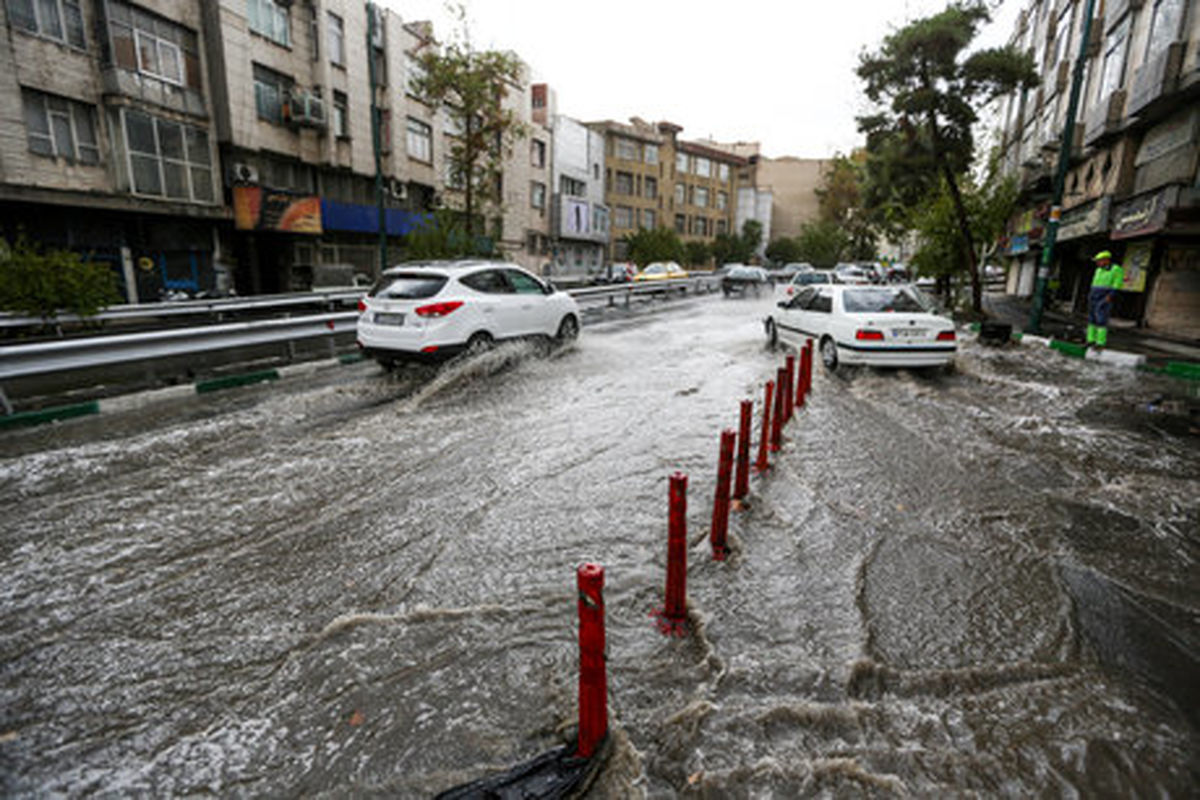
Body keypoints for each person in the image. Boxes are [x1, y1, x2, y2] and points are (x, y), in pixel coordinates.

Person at [1086, 250, 1124, 348]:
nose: (1097, 263)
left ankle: (1100, 343)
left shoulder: (1116, 269)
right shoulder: (1098, 270)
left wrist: (1110, 296)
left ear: (1106, 260)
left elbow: (1117, 284)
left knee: (1101, 319)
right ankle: (1090, 340)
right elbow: (1094, 283)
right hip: (1094, 294)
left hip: (1105, 295)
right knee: (1091, 318)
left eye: (1099, 261)